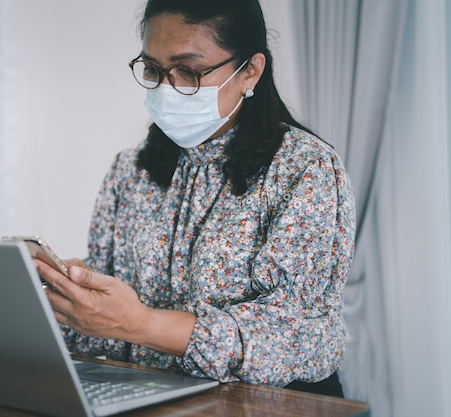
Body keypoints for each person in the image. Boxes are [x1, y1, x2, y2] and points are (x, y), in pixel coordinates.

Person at [35, 0, 355, 398]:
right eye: (153, 69)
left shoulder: (304, 169)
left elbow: (295, 338)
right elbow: (108, 328)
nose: (167, 89)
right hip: (149, 396)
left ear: (250, 71)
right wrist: (74, 297)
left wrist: (142, 324)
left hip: (270, 403)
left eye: (188, 71)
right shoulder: (129, 170)